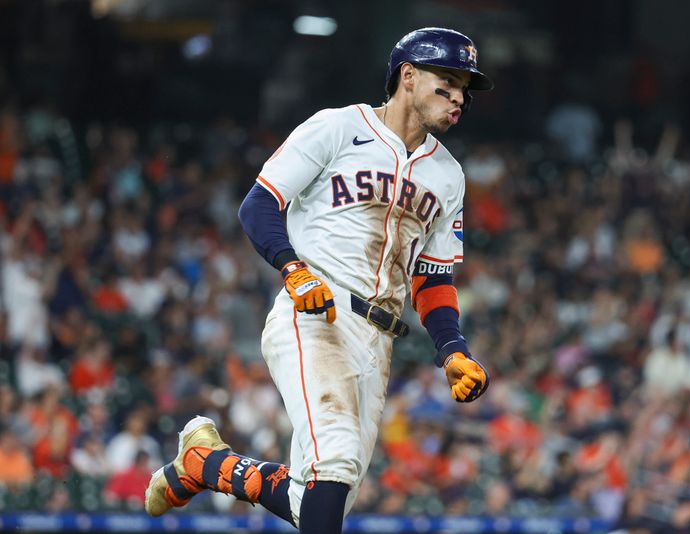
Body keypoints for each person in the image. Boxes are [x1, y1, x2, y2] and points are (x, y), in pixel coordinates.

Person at [144, 27, 493, 533]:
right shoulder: (337, 127)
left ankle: (206, 464)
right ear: (409, 77)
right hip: (317, 311)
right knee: (338, 459)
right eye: (448, 80)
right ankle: (205, 464)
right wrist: (293, 268)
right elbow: (260, 205)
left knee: (323, 500)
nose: (459, 95)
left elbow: (433, 278)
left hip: (380, 337)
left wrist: (452, 348)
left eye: (465, 87)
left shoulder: (449, 175)